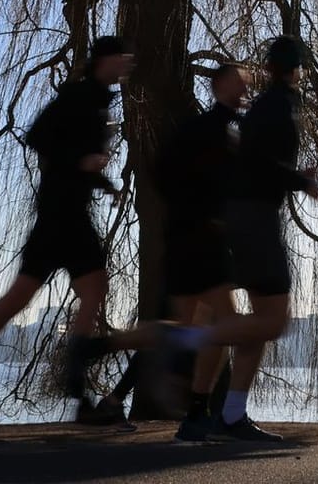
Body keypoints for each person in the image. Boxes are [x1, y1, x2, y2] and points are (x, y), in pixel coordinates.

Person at [0, 35, 139, 434]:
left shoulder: (100, 100)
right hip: (62, 215)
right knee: (86, 289)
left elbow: (73, 156)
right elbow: (38, 137)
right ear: (105, 60)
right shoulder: (79, 96)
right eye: (122, 59)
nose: (126, 66)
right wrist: (82, 161)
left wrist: (102, 181)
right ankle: (79, 393)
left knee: (30, 297)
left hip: (64, 211)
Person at [161, 34, 318, 442]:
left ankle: (224, 414)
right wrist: (298, 180)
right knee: (274, 319)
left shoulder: (260, 111)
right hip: (256, 218)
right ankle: (188, 340)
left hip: (245, 217)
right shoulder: (278, 106)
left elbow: (246, 157)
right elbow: (260, 163)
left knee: (255, 325)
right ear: (295, 69)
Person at [100, 58, 247, 440]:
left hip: (191, 239)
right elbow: (174, 175)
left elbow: (167, 175)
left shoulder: (216, 129)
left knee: (187, 329)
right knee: (218, 327)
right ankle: (202, 410)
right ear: (219, 86)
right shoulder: (207, 129)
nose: (244, 90)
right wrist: (206, 216)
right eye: (238, 83)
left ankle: (123, 384)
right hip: (200, 241)